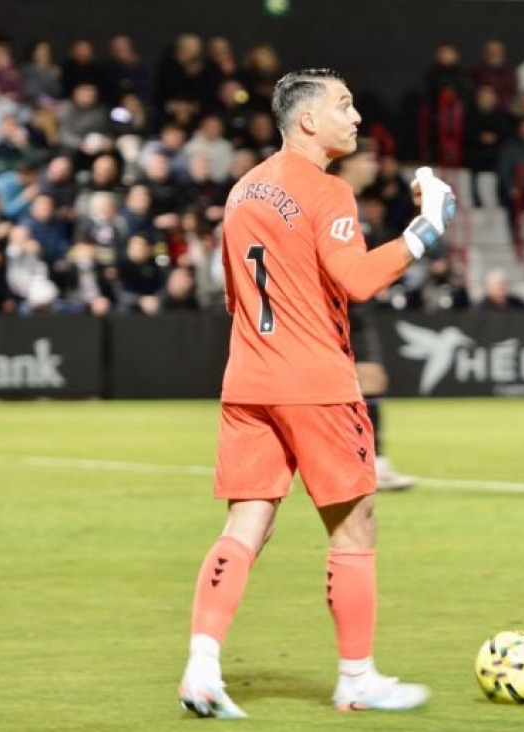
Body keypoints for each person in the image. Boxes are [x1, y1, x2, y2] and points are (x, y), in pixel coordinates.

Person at [177, 68, 454, 718]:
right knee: (355, 525)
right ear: (308, 120)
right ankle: (357, 678)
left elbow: (234, 295)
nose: (356, 117)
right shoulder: (327, 190)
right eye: (345, 105)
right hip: (315, 382)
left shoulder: (242, 190)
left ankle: (201, 668)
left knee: (248, 522)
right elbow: (356, 281)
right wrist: (425, 229)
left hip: (248, 379)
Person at [332, 137, 416, 492]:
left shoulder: (357, 205)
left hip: (358, 308)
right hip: (339, 310)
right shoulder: (334, 199)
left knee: (370, 382)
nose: (375, 166)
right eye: (368, 159)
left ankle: (371, 462)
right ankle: (366, 464)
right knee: (361, 383)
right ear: (348, 163)